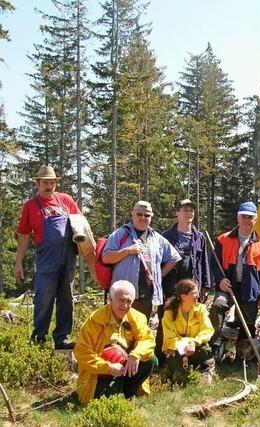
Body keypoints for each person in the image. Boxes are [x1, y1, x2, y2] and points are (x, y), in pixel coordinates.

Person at [14, 165, 82, 349]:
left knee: (66, 299)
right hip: (46, 260)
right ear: (38, 183)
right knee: (44, 299)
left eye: (52, 182)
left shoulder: (65, 200)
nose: (49, 186)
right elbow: (24, 235)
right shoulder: (30, 206)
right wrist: (18, 262)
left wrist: (88, 252)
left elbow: (80, 224)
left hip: (68, 258)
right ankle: (39, 338)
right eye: (45, 182)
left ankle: (62, 338)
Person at [73, 280, 155, 404]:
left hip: (125, 367)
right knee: (103, 402)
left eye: (129, 302)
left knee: (151, 360)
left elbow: (147, 340)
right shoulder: (95, 321)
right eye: (121, 300)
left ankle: (127, 392)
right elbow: (82, 352)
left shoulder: (137, 317)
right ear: (110, 299)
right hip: (100, 373)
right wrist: (107, 367)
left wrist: (135, 354)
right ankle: (114, 393)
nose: (125, 306)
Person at [209, 201, 260, 357]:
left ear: (255, 220)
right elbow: (214, 265)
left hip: (250, 290)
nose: (246, 220)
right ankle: (215, 346)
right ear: (237, 218)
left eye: (250, 217)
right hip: (228, 287)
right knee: (218, 306)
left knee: (248, 324)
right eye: (243, 216)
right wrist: (220, 281)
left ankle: (242, 353)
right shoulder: (223, 240)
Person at [102, 201, 181, 321]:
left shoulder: (157, 238)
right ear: (132, 214)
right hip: (122, 296)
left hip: (147, 296)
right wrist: (128, 251)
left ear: (151, 217)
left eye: (147, 215)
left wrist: (161, 275)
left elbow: (174, 257)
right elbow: (106, 257)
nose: (143, 218)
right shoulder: (120, 234)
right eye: (139, 214)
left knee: (140, 331)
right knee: (118, 328)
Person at [158, 199, 211, 361]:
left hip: (193, 290)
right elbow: (160, 263)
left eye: (191, 211)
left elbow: (204, 262)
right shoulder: (166, 237)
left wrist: (206, 286)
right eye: (185, 210)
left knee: (191, 322)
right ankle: (162, 359)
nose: (189, 213)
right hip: (171, 289)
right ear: (177, 213)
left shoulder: (199, 237)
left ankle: (194, 358)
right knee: (166, 322)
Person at [161, 279, 215, 381]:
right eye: (194, 293)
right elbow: (169, 337)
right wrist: (184, 344)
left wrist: (194, 343)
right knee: (175, 366)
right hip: (176, 349)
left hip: (195, 347)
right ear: (183, 296)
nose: (198, 295)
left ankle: (206, 372)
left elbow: (208, 330)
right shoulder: (169, 313)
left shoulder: (201, 309)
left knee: (205, 351)